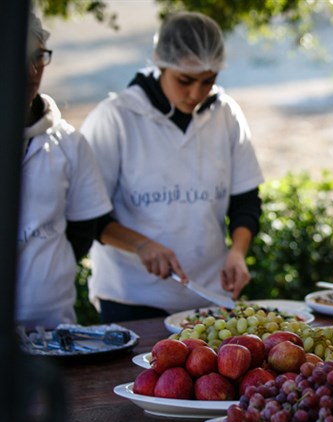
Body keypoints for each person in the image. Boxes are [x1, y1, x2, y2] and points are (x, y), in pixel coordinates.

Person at [80, 12, 265, 322]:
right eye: (185, 80)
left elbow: (246, 200)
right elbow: (88, 214)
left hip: (209, 296)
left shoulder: (226, 114)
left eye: (208, 81)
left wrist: (237, 252)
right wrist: (141, 245)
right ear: (160, 64)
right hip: (131, 298)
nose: (196, 93)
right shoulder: (115, 117)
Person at [16, 12, 112, 329]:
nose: (32, 71)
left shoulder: (69, 142)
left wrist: (50, 270)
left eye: (39, 57)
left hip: (52, 323)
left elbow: (83, 227)